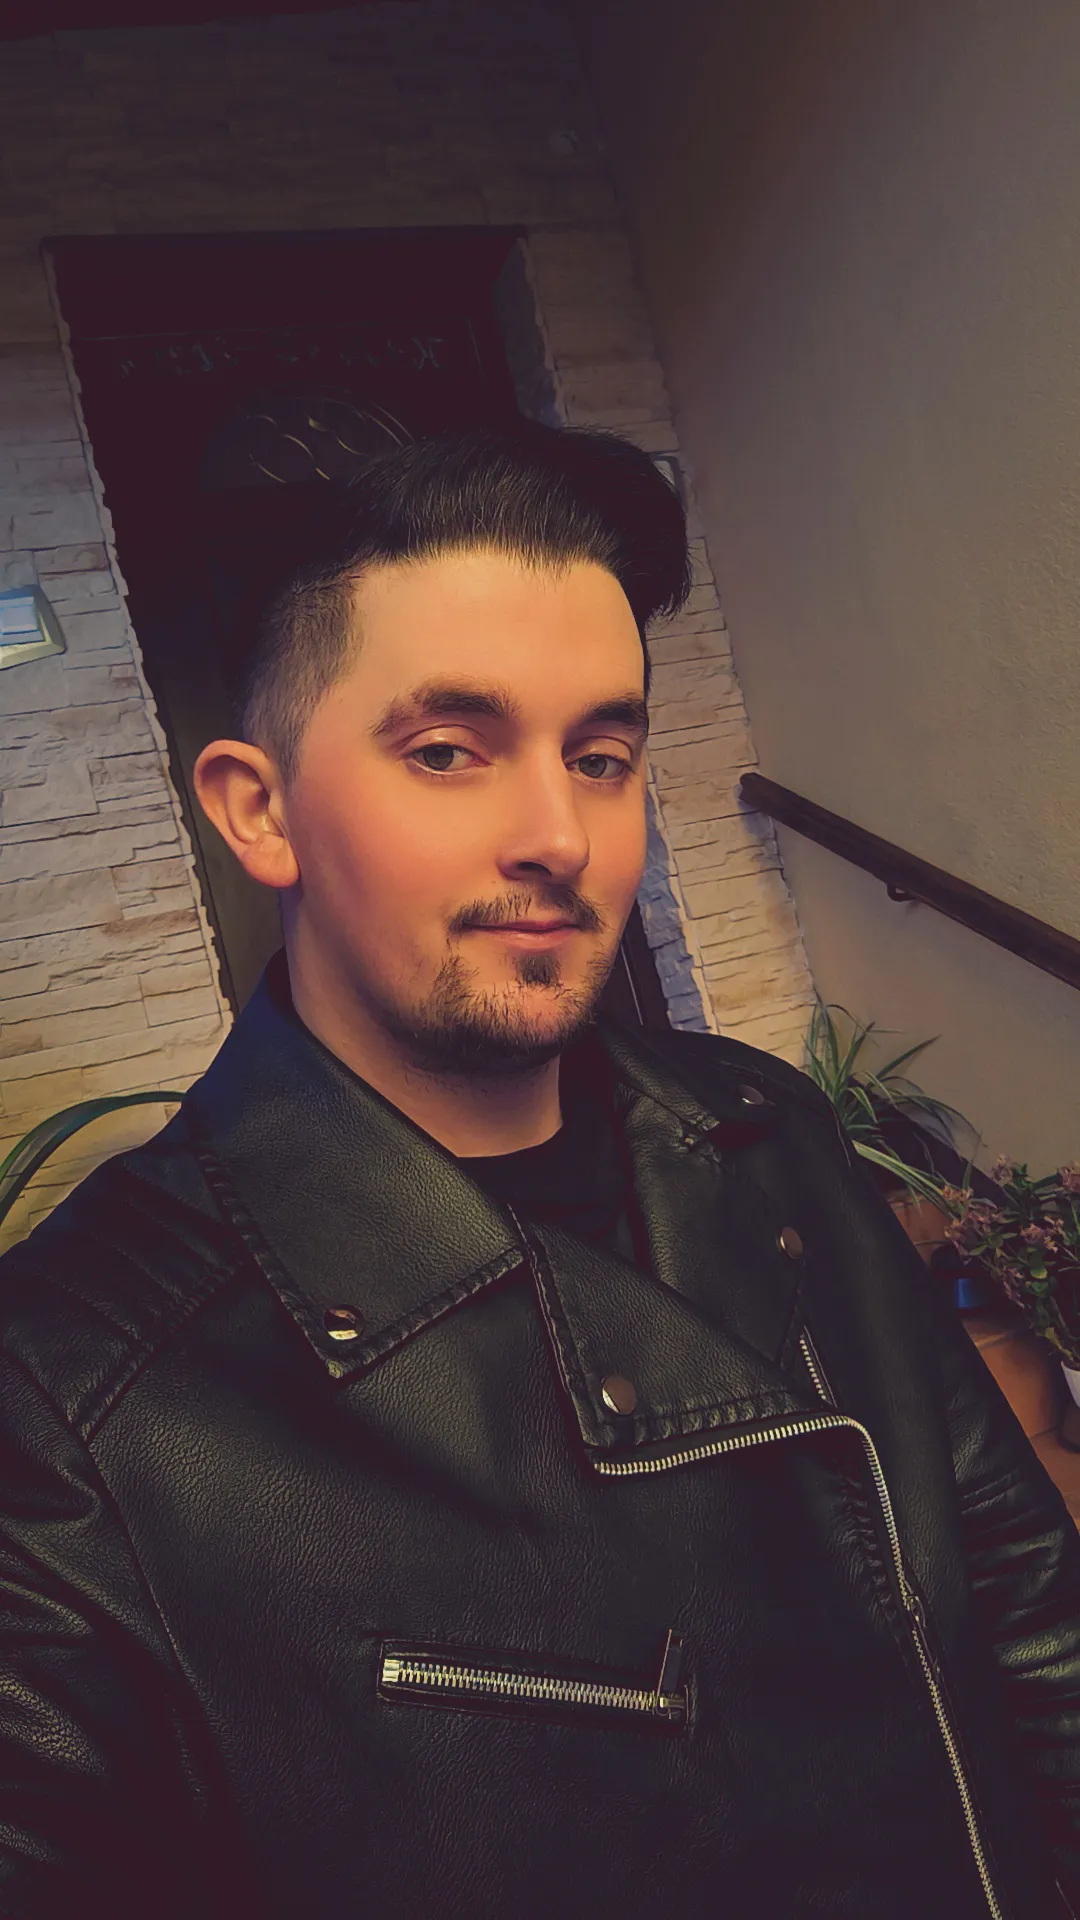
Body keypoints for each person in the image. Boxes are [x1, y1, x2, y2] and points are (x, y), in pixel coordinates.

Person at [0, 422, 1077, 1920]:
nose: (560, 835)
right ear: (260, 809)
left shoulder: (765, 1127)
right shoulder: (67, 1396)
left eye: (602, 757)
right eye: (448, 752)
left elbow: (1030, 1623)